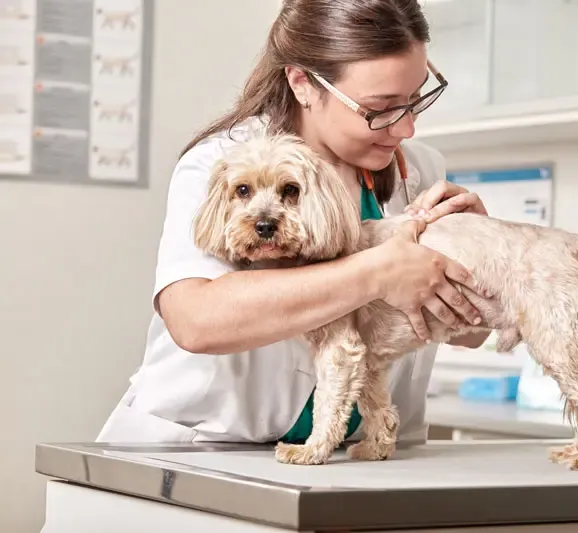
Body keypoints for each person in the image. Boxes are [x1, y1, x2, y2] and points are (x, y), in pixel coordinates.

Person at [97, 0, 491, 446]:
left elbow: (472, 335)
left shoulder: (420, 172)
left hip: (361, 462)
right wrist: (380, 273)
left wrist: (482, 267)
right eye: (379, 108)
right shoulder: (222, 164)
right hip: (207, 452)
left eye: (415, 99)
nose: (406, 130)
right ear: (303, 83)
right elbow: (195, 320)